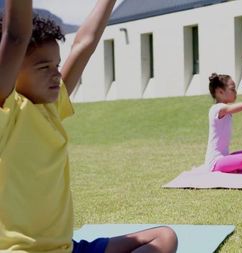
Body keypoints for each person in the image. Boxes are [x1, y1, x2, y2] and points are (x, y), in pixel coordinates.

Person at [0, 0, 177, 252]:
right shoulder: (7, 113)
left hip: (67, 248)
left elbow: (85, 43)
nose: (56, 75)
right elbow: (16, 35)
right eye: (43, 67)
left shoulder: (52, 105)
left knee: (163, 238)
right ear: (12, 70)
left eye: (56, 66)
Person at [204, 63, 242, 173]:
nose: (235, 92)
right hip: (215, 162)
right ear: (220, 92)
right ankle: (232, 163)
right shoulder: (218, 109)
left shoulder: (224, 108)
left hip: (224, 156)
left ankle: (231, 162)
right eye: (232, 89)